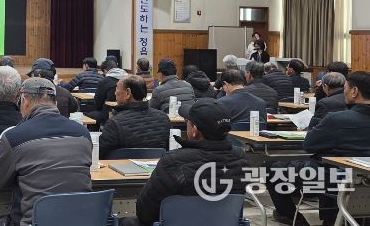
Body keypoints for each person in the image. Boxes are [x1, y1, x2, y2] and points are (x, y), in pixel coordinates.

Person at [122, 98, 249, 226]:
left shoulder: (173, 161)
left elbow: (145, 212)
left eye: (187, 121)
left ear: (194, 130)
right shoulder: (241, 158)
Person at [0, 77, 92, 226]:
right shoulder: (84, 134)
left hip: (34, 221)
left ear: (25, 101)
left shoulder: (15, 137)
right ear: (55, 103)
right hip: (83, 220)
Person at [268, 71, 370, 226]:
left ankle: (295, 219)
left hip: (330, 177)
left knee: (271, 169)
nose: (344, 92)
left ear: (354, 91)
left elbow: (309, 145)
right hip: (362, 179)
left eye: (345, 88)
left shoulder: (336, 119)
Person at [99, 75, 170, 157]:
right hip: (157, 164)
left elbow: (98, 153)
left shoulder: (114, 123)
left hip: (120, 164)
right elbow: (170, 149)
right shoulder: (163, 118)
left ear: (128, 93)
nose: (115, 93)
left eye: (117, 88)